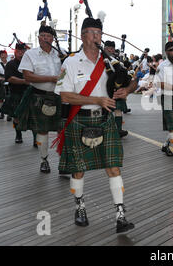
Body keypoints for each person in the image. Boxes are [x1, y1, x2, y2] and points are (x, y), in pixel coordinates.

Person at [54, 17, 137, 233]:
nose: (96, 37)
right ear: (82, 36)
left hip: (105, 120)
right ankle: (79, 207)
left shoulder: (111, 61)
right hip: (79, 119)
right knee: (78, 170)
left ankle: (120, 215)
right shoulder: (71, 62)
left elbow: (132, 81)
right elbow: (64, 95)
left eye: (99, 33)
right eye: (91, 32)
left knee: (113, 167)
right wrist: (96, 100)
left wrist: (126, 91)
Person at [17, 25, 63, 174]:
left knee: (62, 129)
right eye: (42, 35)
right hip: (39, 96)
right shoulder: (31, 54)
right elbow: (27, 76)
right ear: (38, 38)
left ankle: (64, 162)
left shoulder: (60, 54)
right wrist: (51, 78)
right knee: (42, 131)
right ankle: (44, 160)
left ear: (52, 38)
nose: (44, 38)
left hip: (59, 96)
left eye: (47, 36)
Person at [2, 43, 37, 145]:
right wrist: (25, 81)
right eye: (19, 51)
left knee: (33, 117)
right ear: (15, 51)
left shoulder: (31, 64)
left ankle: (35, 139)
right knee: (16, 117)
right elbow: (10, 78)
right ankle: (18, 135)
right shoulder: (10, 64)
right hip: (16, 93)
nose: (21, 53)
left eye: (23, 51)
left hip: (30, 93)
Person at [104, 41, 129, 138]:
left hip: (116, 87)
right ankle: (110, 129)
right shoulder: (103, 59)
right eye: (109, 48)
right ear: (105, 48)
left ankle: (118, 129)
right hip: (107, 87)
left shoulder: (115, 59)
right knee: (108, 110)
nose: (111, 50)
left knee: (118, 110)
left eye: (112, 48)